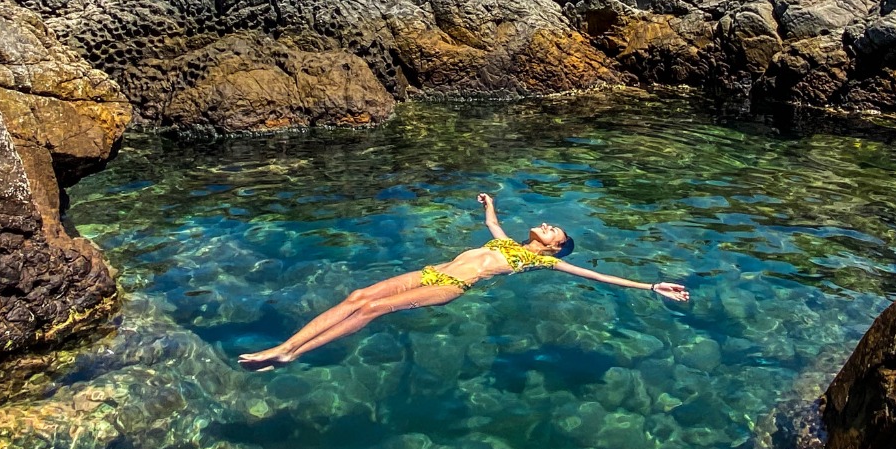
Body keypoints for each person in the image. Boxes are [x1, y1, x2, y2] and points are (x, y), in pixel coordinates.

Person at [238, 193, 689, 371]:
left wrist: (652, 286)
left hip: (452, 287)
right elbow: (494, 226)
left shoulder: (542, 264)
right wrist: (489, 205)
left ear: (553, 249)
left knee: (372, 310)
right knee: (358, 295)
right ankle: (284, 344)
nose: (549, 225)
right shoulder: (510, 241)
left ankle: (293, 354)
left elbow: (597, 275)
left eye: (555, 232)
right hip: (433, 270)